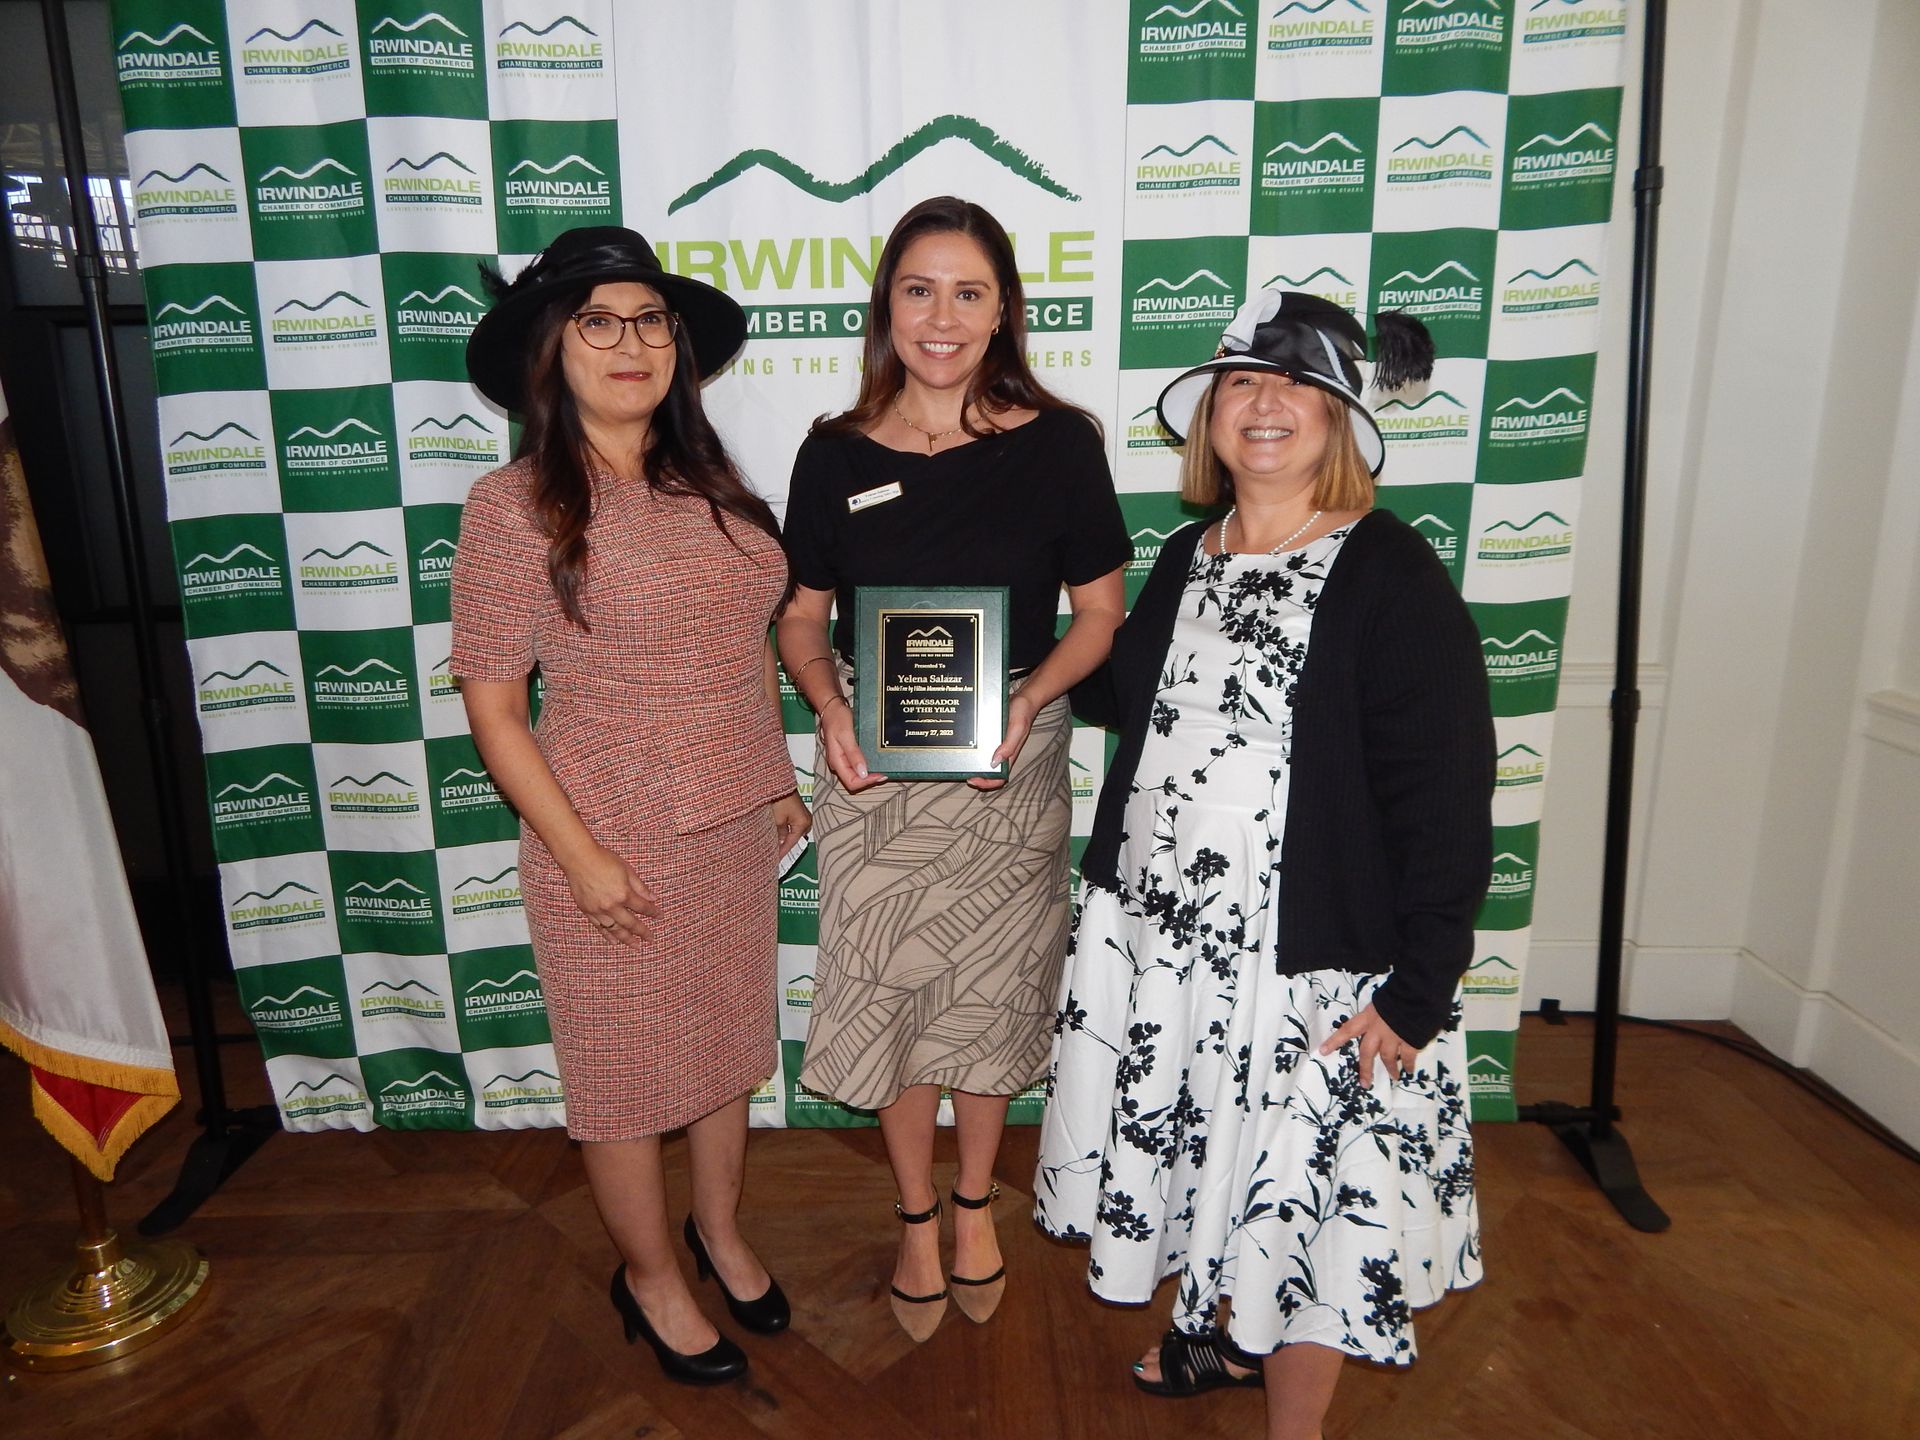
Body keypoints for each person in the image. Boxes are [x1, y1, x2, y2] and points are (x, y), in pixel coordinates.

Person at [1033, 289, 1493, 1440]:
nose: (1267, 405)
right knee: (1203, 1151)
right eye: (1244, 383)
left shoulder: (1390, 574)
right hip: (1170, 948)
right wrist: (972, 640)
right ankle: (1214, 1333)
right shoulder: (1190, 552)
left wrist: (1420, 990)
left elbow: (1447, 799)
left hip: (1308, 968)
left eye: (1300, 387)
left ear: (1341, 421)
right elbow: (1122, 691)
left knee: (1312, 1211)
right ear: (1211, 416)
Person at [450, 226, 808, 1386]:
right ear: (553, 349)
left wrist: (780, 777)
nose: (631, 343)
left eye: (651, 321)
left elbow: (747, 641)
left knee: (722, 1053)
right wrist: (584, 858)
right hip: (606, 841)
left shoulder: (710, 485)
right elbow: (496, 712)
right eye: (599, 321)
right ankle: (649, 1276)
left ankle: (719, 1232)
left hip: (731, 828)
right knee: (621, 1079)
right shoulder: (511, 507)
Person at [775, 196, 1130, 1342]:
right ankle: (915, 1216)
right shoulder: (832, 453)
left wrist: (1026, 702)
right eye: (919, 289)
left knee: (986, 999)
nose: (943, 316)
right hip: (875, 775)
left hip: (1007, 767)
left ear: (1004, 309)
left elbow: (1101, 616)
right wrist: (829, 704)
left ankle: (975, 1205)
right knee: (895, 997)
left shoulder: (1060, 442)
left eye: (969, 292)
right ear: (887, 303)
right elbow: (800, 619)